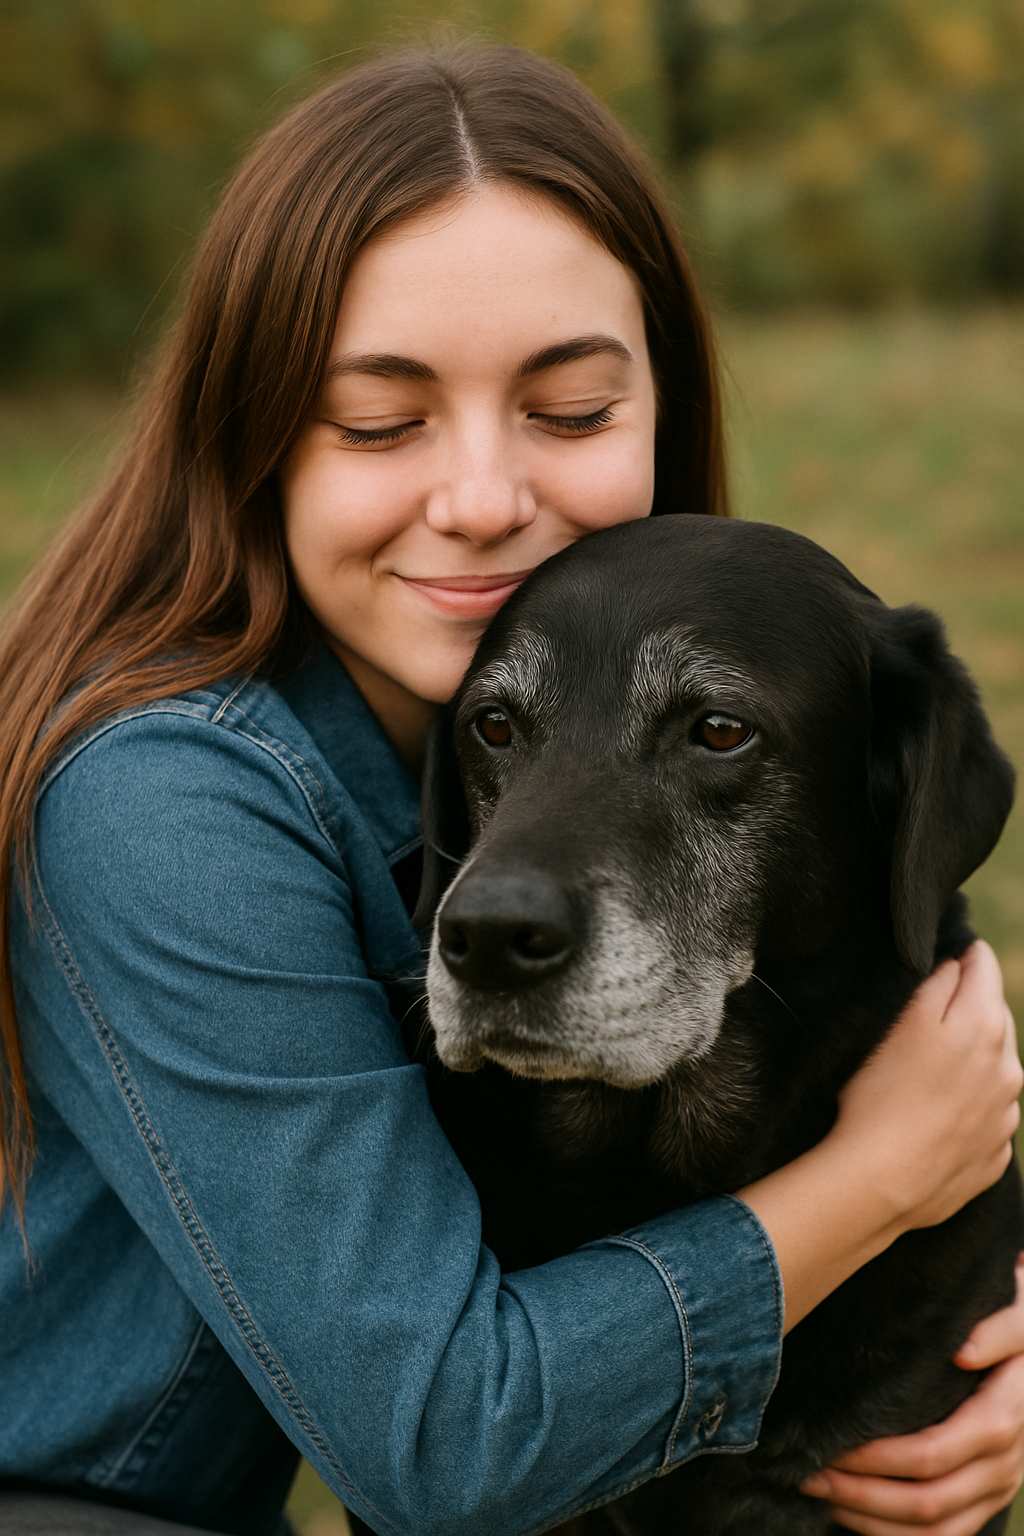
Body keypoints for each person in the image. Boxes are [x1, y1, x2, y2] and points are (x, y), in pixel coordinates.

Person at [0, 40, 1022, 1536]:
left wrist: (974, 1340)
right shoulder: (159, 805)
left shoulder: (490, 734)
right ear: (255, 440)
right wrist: (880, 1183)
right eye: (377, 421)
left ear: (661, 408)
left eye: (568, 410)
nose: (482, 501)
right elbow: (450, 1438)